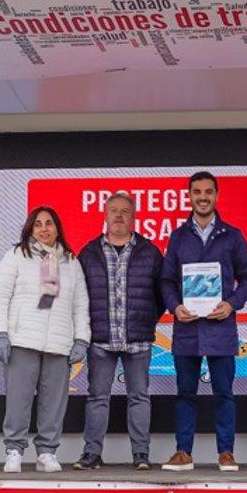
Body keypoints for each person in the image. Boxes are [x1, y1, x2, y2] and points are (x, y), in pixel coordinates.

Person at [158, 171, 247, 472]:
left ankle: (226, 452)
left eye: (208, 192)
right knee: (185, 394)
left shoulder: (232, 235)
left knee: (224, 394)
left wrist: (232, 304)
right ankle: (183, 452)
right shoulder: (178, 236)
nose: (202, 197)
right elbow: (166, 280)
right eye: (197, 192)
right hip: (187, 329)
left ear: (216, 196)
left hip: (221, 328)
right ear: (189, 196)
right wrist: (174, 307)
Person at [0, 206, 90, 474]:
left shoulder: (71, 261)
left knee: (54, 401)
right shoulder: (15, 256)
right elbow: (0, 296)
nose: (44, 229)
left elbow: (80, 304)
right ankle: (14, 450)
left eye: (49, 223)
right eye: (38, 224)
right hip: (23, 340)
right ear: (29, 229)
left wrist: (81, 339)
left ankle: (47, 452)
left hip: (59, 343)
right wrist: (0, 333)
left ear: (58, 228)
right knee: (18, 399)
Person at [74, 192, 165, 471]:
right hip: (101, 339)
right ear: (104, 214)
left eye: (125, 211)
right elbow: (80, 296)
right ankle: (92, 454)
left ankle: (140, 454)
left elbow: (161, 295)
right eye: (113, 210)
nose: (118, 215)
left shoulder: (150, 252)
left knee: (139, 397)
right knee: (97, 397)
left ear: (134, 216)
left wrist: (147, 321)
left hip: (138, 339)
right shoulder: (88, 253)